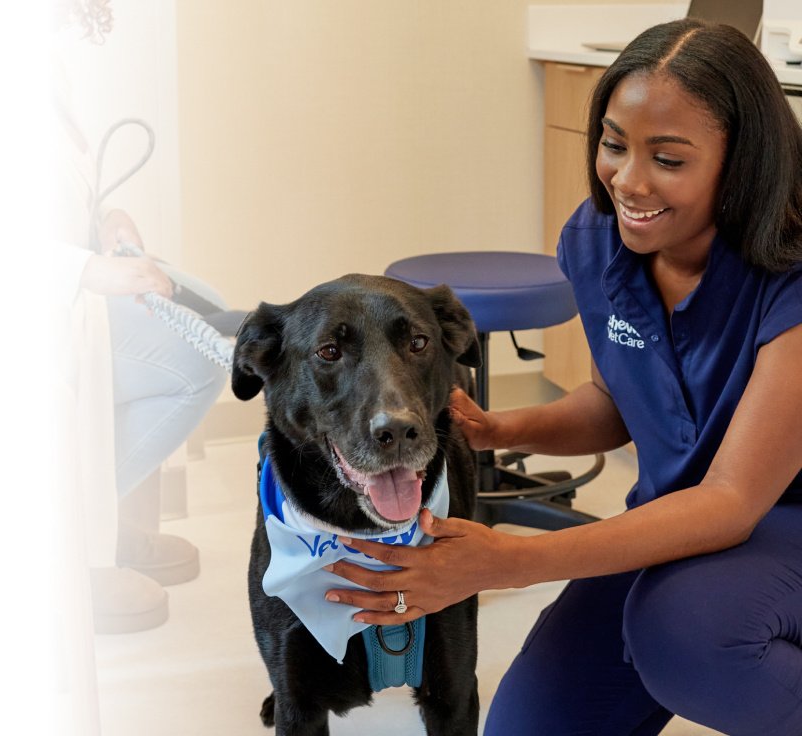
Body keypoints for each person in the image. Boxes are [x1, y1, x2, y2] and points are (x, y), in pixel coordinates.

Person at [318, 19, 802, 735]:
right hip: (677, 520)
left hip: (777, 522)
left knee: (687, 635)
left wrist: (508, 561)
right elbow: (625, 397)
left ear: (742, 163)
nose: (628, 180)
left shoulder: (789, 278)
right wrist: (499, 429)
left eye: (667, 158)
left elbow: (732, 500)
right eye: (613, 144)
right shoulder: (600, 239)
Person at [52, 0, 226, 635]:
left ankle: (108, 530)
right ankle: (60, 545)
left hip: (65, 282)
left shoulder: (46, 62)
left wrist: (106, 221)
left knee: (205, 307)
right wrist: (88, 271)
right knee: (195, 360)